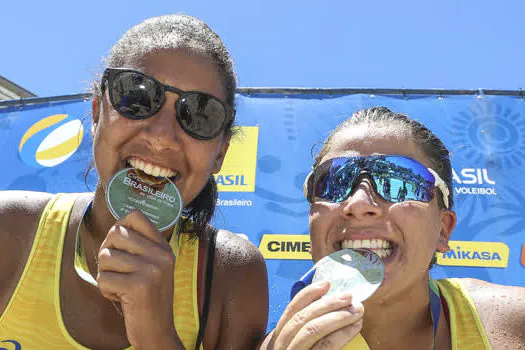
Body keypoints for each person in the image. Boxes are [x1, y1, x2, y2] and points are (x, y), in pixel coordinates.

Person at [0, 14, 268, 349]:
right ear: (97, 114)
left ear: (219, 155)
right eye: (137, 97)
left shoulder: (231, 276)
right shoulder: (8, 231)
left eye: (199, 114)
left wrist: (156, 335)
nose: (161, 137)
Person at [260, 107, 525, 349]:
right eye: (334, 181)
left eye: (399, 181)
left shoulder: (514, 322)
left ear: (442, 230)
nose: (359, 203)